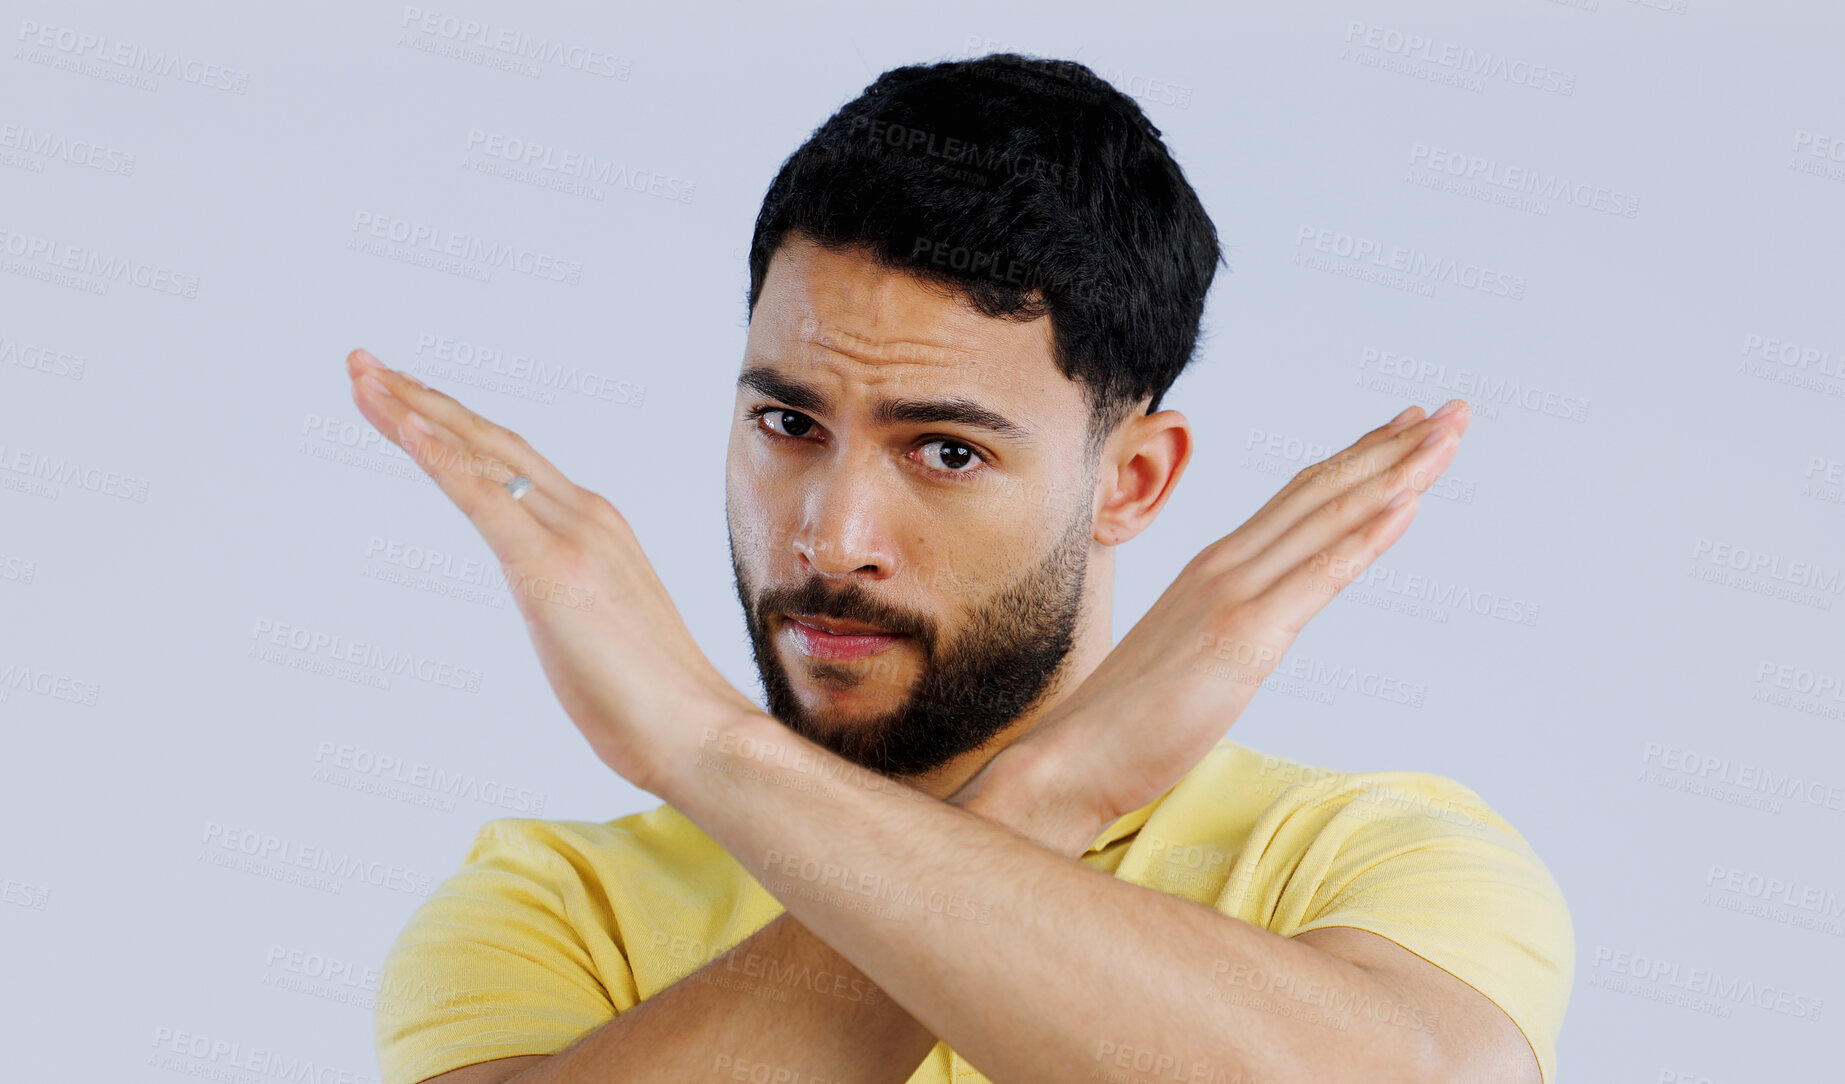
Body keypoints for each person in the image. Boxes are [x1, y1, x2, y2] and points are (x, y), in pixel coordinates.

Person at [355, 52, 1571, 1084]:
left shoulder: (1359, 855)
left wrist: (714, 746)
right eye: (789, 426)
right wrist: (1045, 802)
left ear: (1132, 482)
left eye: (945, 450)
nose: (832, 539)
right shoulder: (563, 905)